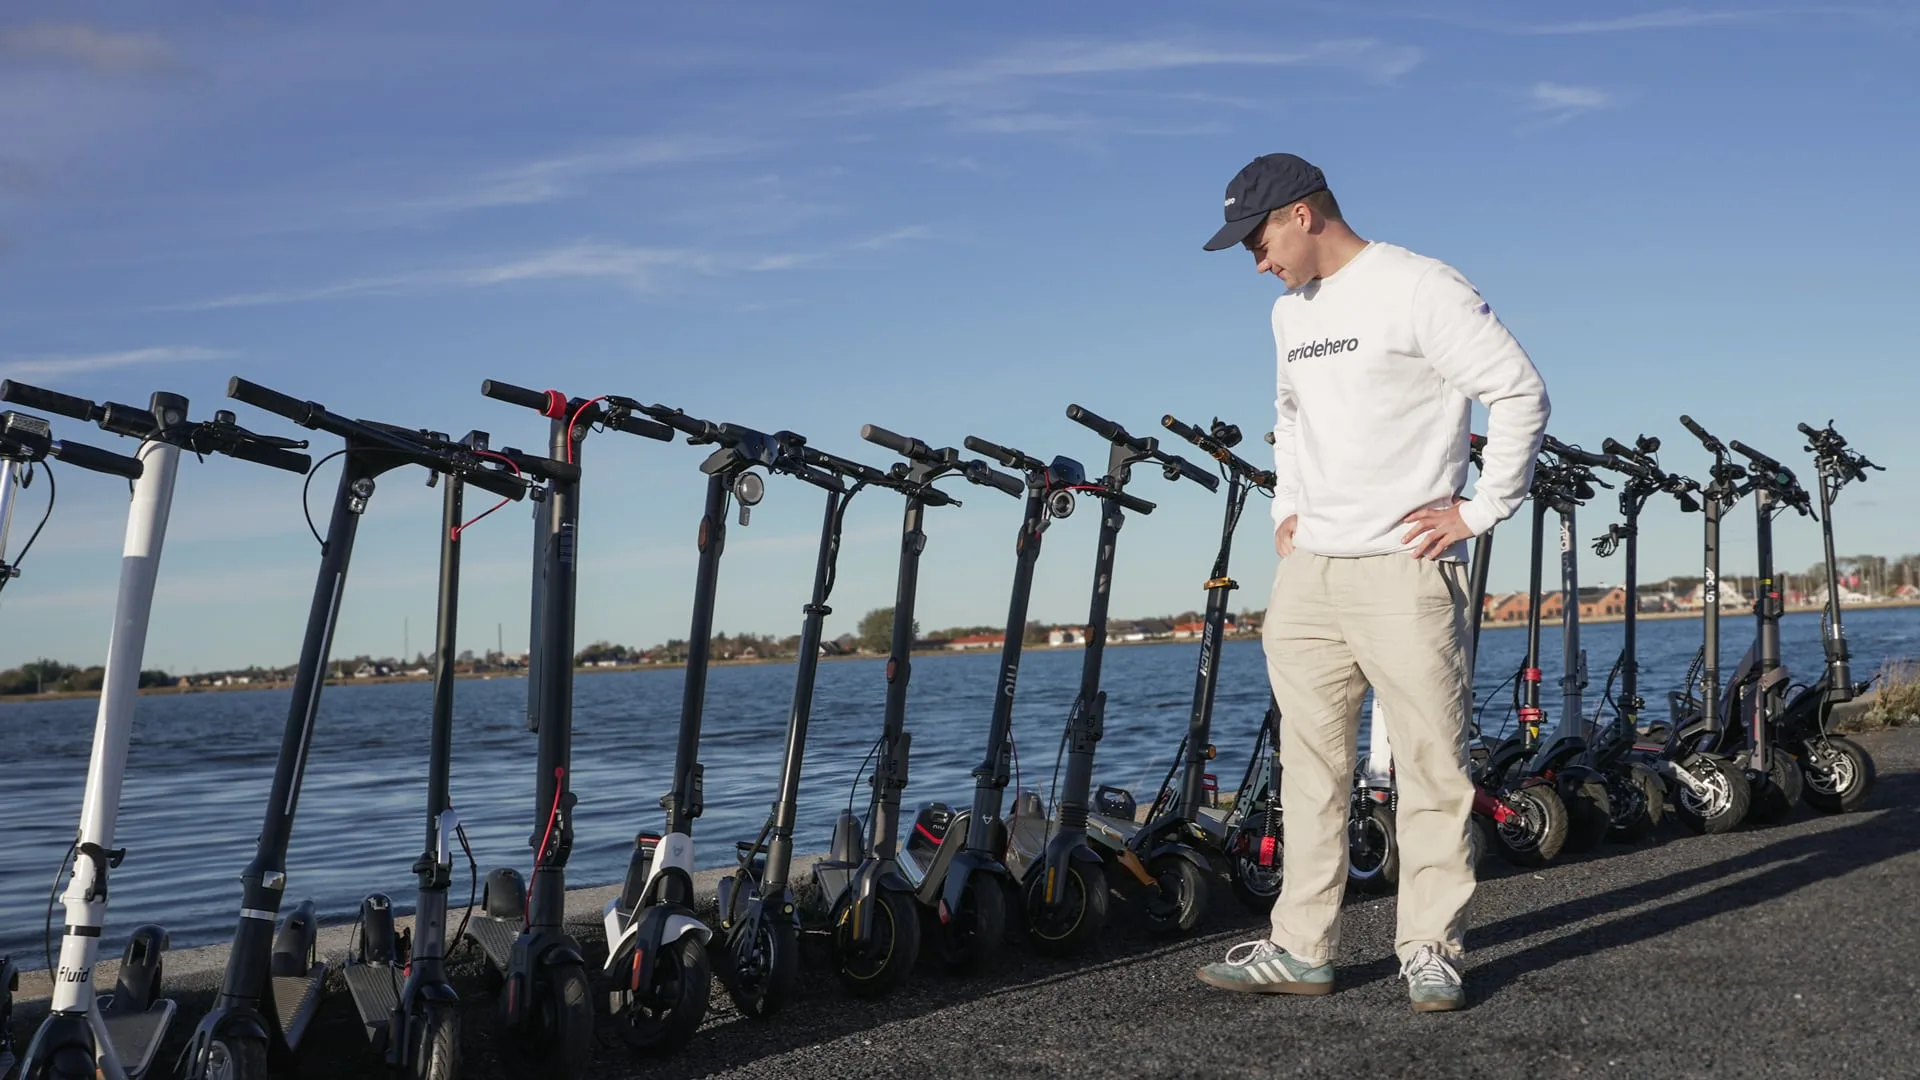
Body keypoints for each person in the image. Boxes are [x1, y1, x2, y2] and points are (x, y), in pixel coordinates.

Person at [1193, 153, 1549, 1012]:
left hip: (1405, 566)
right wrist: (1288, 507)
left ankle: (1429, 947)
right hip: (1311, 573)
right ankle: (1300, 947)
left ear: (1302, 214)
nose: (1257, 263)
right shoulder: (1289, 314)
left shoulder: (1420, 286)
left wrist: (1481, 509)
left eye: (1258, 241)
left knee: (1430, 768)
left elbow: (1518, 392)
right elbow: (1290, 417)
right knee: (1309, 770)